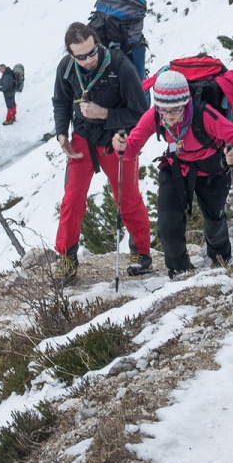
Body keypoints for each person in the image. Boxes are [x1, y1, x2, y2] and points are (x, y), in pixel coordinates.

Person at [115, 69, 233, 278]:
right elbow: (131, 148)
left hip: (211, 169)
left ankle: (221, 261)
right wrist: (120, 146)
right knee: (168, 223)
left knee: (214, 219)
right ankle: (180, 272)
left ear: (186, 102)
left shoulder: (204, 114)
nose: (168, 116)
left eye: (174, 109)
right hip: (176, 166)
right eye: (163, 110)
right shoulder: (155, 115)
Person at [51, 21, 152, 283]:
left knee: (126, 197)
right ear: (71, 54)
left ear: (97, 43)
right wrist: (62, 132)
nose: (89, 60)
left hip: (116, 138)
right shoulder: (66, 69)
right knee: (72, 199)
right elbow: (61, 101)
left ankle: (140, 253)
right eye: (81, 56)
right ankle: (66, 258)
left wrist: (104, 113)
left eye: (92, 52)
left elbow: (141, 113)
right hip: (82, 138)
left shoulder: (120, 66)